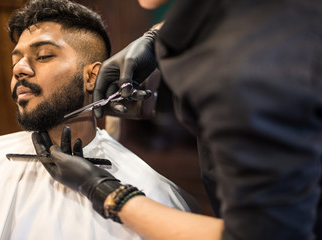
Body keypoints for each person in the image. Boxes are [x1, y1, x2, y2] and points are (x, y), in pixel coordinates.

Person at [32, 0, 322, 239]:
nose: (21, 68)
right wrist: (158, 37)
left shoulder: (246, 67)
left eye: (44, 55)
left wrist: (106, 192)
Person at [0, 0, 200, 239]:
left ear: (92, 76)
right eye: (16, 60)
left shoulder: (152, 193)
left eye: (43, 55)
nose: (19, 69)